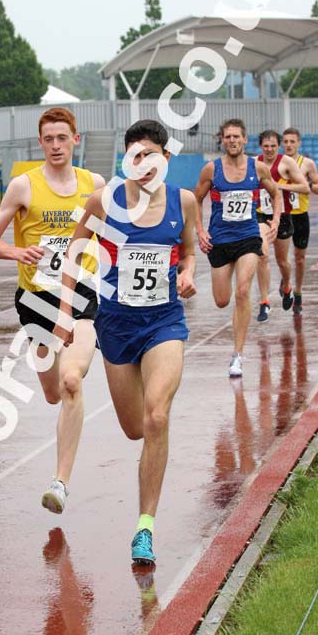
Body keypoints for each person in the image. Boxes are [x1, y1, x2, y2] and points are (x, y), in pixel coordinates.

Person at [54, 119, 197, 566]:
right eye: (134, 156)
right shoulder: (105, 202)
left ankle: (144, 528)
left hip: (164, 323)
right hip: (115, 324)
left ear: (165, 160)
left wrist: (188, 272)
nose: (143, 164)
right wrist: (63, 313)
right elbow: (73, 257)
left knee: (157, 415)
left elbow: (189, 250)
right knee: (135, 427)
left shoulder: (184, 202)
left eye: (150, 156)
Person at [0, 107, 105, 514]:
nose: (55, 146)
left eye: (62, 138)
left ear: (76, 139)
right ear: (41, 143)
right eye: (48, 139)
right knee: (53, 392)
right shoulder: (23, 186)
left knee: (72, 381)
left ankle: (60, 483)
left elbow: (118, 234)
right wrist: (19, 251)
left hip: (83, 294)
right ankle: (58, 391)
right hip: (36, 300)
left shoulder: (95, 186)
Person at [195, 119, 280, 377]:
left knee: (243, 291)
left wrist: (275, 221)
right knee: (222, 300)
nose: (232, 140)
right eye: (227, 137)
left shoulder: (258, 168)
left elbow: (275, 194)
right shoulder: (212, 169)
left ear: (245, 140)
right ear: (222, 140)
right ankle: (237, 351)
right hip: (220, 240)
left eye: (236, 137)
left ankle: (238, 355)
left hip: (248, 236)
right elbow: (194, 199)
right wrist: (200, 230)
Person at [254, 130, 308, 321]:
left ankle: (287, 286)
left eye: (273, 146)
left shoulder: (286, 163)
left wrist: (280, 186)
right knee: (262, 255)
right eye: (266, 146)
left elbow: (305, 187)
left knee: (282, 260)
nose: (269, 150)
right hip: (261, 214)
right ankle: (264, 301)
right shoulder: (255, 163)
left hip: (283, 215)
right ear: (261, 146)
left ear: (279, 146)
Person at [281, 127, 318, 314]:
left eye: (292, 141)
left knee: (299, 258)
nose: (289, 145)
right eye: (286, 141)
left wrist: (309, 185)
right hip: (282, 214)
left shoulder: (307, 164)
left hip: (300, 215)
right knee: (282, 257)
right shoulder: (278, 163)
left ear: (299, 143)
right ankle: (286, 279)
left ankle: (297, 292)